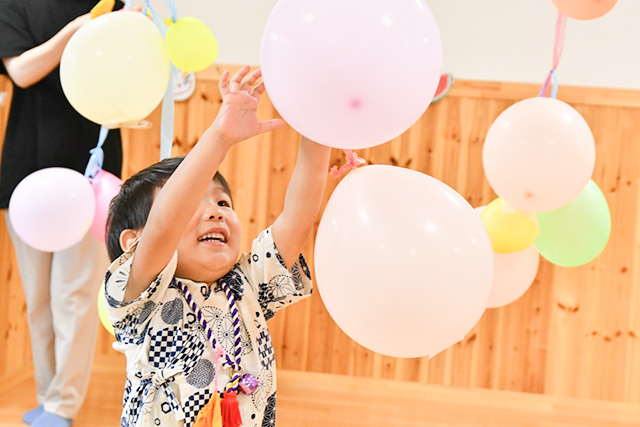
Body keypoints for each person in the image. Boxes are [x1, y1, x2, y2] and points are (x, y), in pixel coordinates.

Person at [104, 66, 331, 427]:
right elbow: (163, 224)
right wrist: (220, 138)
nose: (215, 214)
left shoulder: (248, 285)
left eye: (223, 203)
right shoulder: (140, 296)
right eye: (193, 206)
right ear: (134, 243)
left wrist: (320, 128)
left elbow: (297, 218)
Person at [0, 1, 123, 426]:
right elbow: (21, 71)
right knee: (38, 300)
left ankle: (62, 406)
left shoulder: (108, 3)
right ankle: (48, 397)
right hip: (25, 174)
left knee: (73, 295)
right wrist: (75, 30)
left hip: (91, 172)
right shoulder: (12, 4)